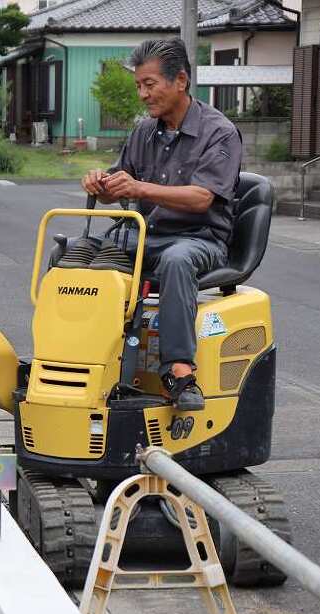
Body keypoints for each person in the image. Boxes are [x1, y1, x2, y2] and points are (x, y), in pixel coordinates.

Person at [81, 37, 242, 411]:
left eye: (149, 84)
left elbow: (203, 198)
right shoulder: (144, 132)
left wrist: (139, 188)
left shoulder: (219, 132)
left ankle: (180, 372)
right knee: (79, 255)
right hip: (148, 235)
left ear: (180, 80)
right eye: (139, 85)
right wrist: (100, 184)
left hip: (200, 239)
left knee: (176, 260)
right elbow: (120, 183)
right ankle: (82, 359)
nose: (142, 95)